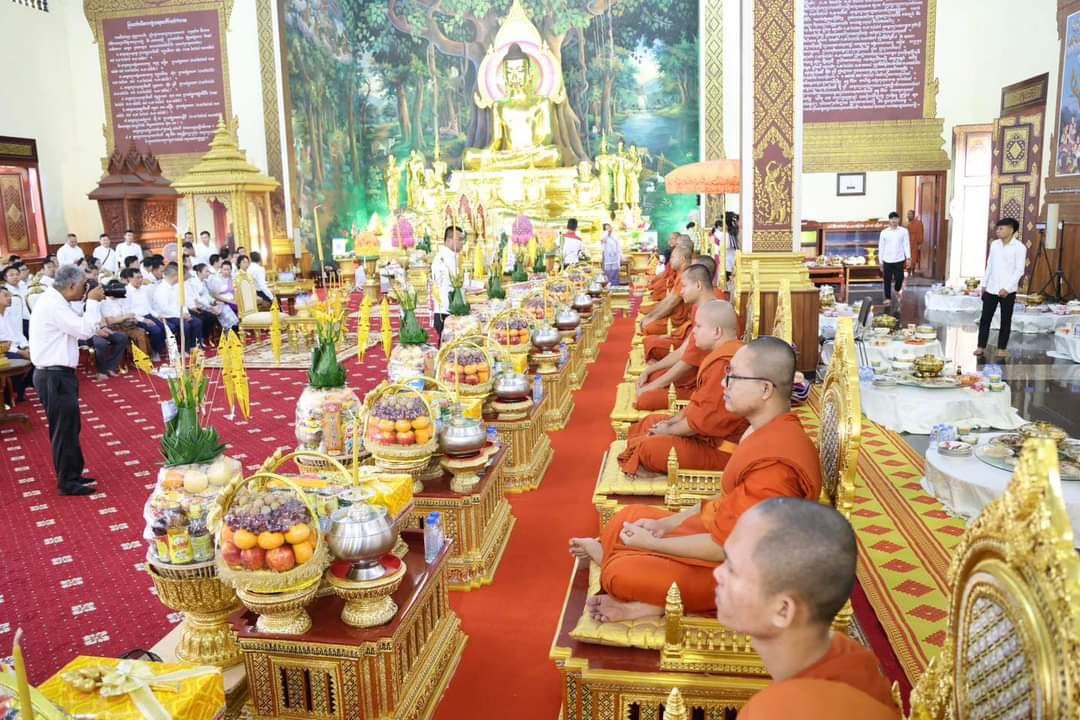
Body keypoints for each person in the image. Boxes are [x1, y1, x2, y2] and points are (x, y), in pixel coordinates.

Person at [570, 336, 822, 621]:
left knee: (620, 573)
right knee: (625, 518)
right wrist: (665, 524)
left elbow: (730, 548)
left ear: (765, 389)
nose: (724, 384)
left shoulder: (776, 467)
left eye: (734, 377)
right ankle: (629, 570)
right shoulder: (762, 429)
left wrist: (654, 544)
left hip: (750, 574)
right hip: (727, 533)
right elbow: (727, 498)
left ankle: (646, 597)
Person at [715, 499, 900, 719]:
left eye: (732, 569)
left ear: (783, 611)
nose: (717, 573)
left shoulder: (778, 712)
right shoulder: (846, 654)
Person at [619, 299, 746, 476]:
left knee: (648, 449)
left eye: (699, 327)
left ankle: (646, 458)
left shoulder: (726, 364)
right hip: (704, 434)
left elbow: (704, 420)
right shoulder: (722, 355)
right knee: (650, 422)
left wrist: (669, 430)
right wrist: (672, 422)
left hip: (722, 450)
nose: (694, 332)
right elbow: (698, 405)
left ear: (717, 332)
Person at [30, 265, 107, 496]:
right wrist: (92, 302)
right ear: (72, 285)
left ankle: (73, 473)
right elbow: (85, 331)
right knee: (64, 429)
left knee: (70, 426)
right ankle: (67, 482)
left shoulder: (56, 301)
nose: (85, 289)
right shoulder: (53, 305)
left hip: (58, 374)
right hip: (53, 375)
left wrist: (88, 300)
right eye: (83, 285)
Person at [636, 263, 727, 410]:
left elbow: (687, 362)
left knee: (645, 398)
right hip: (695, 375)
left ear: (698, 285)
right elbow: (684, 351)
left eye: (684, 286)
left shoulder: (713, 315)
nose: (681, 291)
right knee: (652, 377)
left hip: (704, 386)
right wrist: (649, 371)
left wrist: (651, 387)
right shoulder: (700, 308)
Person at [643, 258, 724, 363]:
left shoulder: (714, 306)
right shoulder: (700, 301)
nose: (682, 291)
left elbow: (691, 352)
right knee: (650, 341)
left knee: (651, 341)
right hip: (688, 341)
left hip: (698, 357)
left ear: (699, 283)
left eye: (685, 286)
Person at [976, 218, 1027, 359]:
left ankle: (1002, 348)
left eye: (1001, 228)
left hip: (1007, 291)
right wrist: (984, 284)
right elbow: (989, 265)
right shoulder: (995, 245)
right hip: (991, 288)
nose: (998, 231)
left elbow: (1019, 270)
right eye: (997, 228)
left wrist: (1007, 288)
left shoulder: (1019, 247)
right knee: (985, 319)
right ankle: (980, 346)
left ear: (1011, 230)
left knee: (1005, 320)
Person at [638, 245, 693, 336]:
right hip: (672, 313)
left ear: (682, 259)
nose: (670, 260)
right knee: (647, 320)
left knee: (648, 328)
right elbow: (669, 299)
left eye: (673, 257)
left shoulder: (686, 276)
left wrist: (652, 318)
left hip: (679, 320)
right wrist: (651, 316)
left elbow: (671, 303)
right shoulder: (680, 273)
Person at [119, 268, 165, 361]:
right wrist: (144, 320)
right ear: (129, 279)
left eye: (141, 277)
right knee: (156, 330)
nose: (140, 280)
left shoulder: (144, 289)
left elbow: (148, 307)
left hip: (148, 315)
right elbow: (128, 311)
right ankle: (154, 352)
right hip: (136, 319)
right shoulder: (126, 291)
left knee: (165, 327)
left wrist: (157, 316)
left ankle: (159, 349)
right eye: (137, 278)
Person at [153, 263, 202, 351]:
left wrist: (186, 313)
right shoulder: (161, 289)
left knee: (197, 322)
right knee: (185, 326)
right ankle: (185, 349)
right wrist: (181, 315)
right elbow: (164, 309)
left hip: (180, 314)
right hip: (169, 316)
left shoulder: (176, 286)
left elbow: (182, 302)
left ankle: (194, 346)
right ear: (175, 276)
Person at [431, 225, 464, 339]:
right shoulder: (443, 259)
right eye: (460, 239)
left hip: (449, 309)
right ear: (449, 240)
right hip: (446, 311)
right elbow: (458, 282)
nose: (462, 243)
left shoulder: (451, 257)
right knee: (448, 345)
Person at [0, 286, 31, 401]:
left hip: (16, 347)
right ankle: (13, 395)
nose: (10, 298)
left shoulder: (9, 313)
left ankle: (20, 390)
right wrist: (20, 352)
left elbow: (19, 333)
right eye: (6, 295)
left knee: (36, 357)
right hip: (3, 351)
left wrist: (26, 347)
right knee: (18, 359)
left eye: (10, 295)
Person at [877, 212, 910, 307]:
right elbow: (881, 247)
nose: (894, 220)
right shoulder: (884, 232)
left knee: (900, 278)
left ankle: (897, 289)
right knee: (887, 280)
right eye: (892, 218)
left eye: (895, 218)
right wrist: (880, 261)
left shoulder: (904, 231)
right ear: (889, 220)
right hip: (887, 260)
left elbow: (906, 245)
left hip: (899, 259)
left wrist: (908, 258)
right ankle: (888, 298)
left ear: (898, 219)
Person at [2, 264, 28, 339]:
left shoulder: (24, 286)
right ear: (5, 277)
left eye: (17, 274)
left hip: (28, 316)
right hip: (16, 320)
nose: (15, 277)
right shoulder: (4, 291)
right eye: (11, 275)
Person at [905, 210, 924, 276]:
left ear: (913, 215)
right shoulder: (906, 223)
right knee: (907, 257)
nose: (909, 215)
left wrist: (919, 243)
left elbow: (920, 233)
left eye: (910, 214)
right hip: (907, 242)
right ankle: (908, 271)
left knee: (913, 258)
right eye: (908, 214)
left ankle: (912, 271)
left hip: (914, 242)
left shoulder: (918, 223)